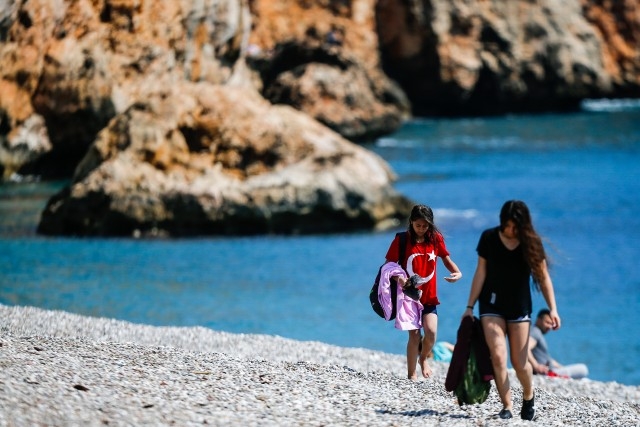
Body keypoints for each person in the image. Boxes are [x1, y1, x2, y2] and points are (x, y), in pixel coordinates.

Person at [462, 200, 561, 421]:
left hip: (519, 308)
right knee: (497, 355)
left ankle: (528, 395)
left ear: (523, 225)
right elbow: (480, 273)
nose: (510, 231)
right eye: (506, 225)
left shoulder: (531, 243)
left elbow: (543, 278)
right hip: (491, 304)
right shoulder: (489, 238)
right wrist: (469, 306)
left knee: (520, 362)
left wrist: (553, 309)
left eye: (514, 226)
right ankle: (506, 405)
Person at [385, 204, 462, 380]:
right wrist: (401, 279)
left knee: (431, 332)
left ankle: (423, 358)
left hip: (428, 297)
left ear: (430, 224)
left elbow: (446, 259)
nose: (421, 229)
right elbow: (389, 265)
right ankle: (411, 375)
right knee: (414, 335)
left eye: (425, 226)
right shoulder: (402, 240)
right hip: (409, 297)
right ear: (411, 222)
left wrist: (457, 272)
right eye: (418, 225)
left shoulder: (436, 239)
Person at [528, 308, 588, 379]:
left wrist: (563, 367)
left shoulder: (536, 332)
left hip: (551, 370)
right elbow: (526, 349)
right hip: (548, 373)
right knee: (583, 369)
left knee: (583, 379)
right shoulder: (535, 332)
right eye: (547, 322)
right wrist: (536, 366)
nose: (549, 327)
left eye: (551, 324)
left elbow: (549, 360)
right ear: (539, 320)